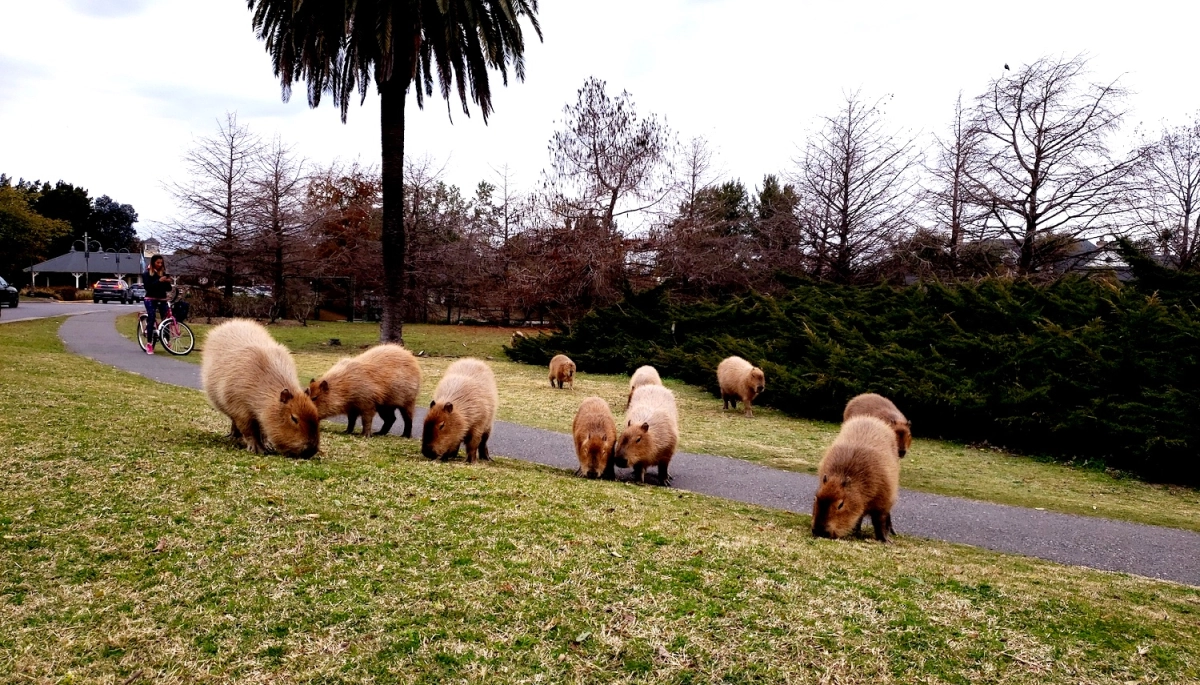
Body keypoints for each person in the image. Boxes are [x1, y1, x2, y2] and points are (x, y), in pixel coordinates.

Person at [142, 255, 173, 354]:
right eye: (157, 263)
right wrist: (159, 281)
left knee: (166, 319)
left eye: (161, 263)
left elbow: (168, 289)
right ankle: (149, 344)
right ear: (153, 263)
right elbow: (148, 287)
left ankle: (167, 340)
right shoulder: (147, 274)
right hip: (150, 298)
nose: (160, 265)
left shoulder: (163, 273)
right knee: (151, 317)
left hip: (162, 298)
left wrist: (168, 283)